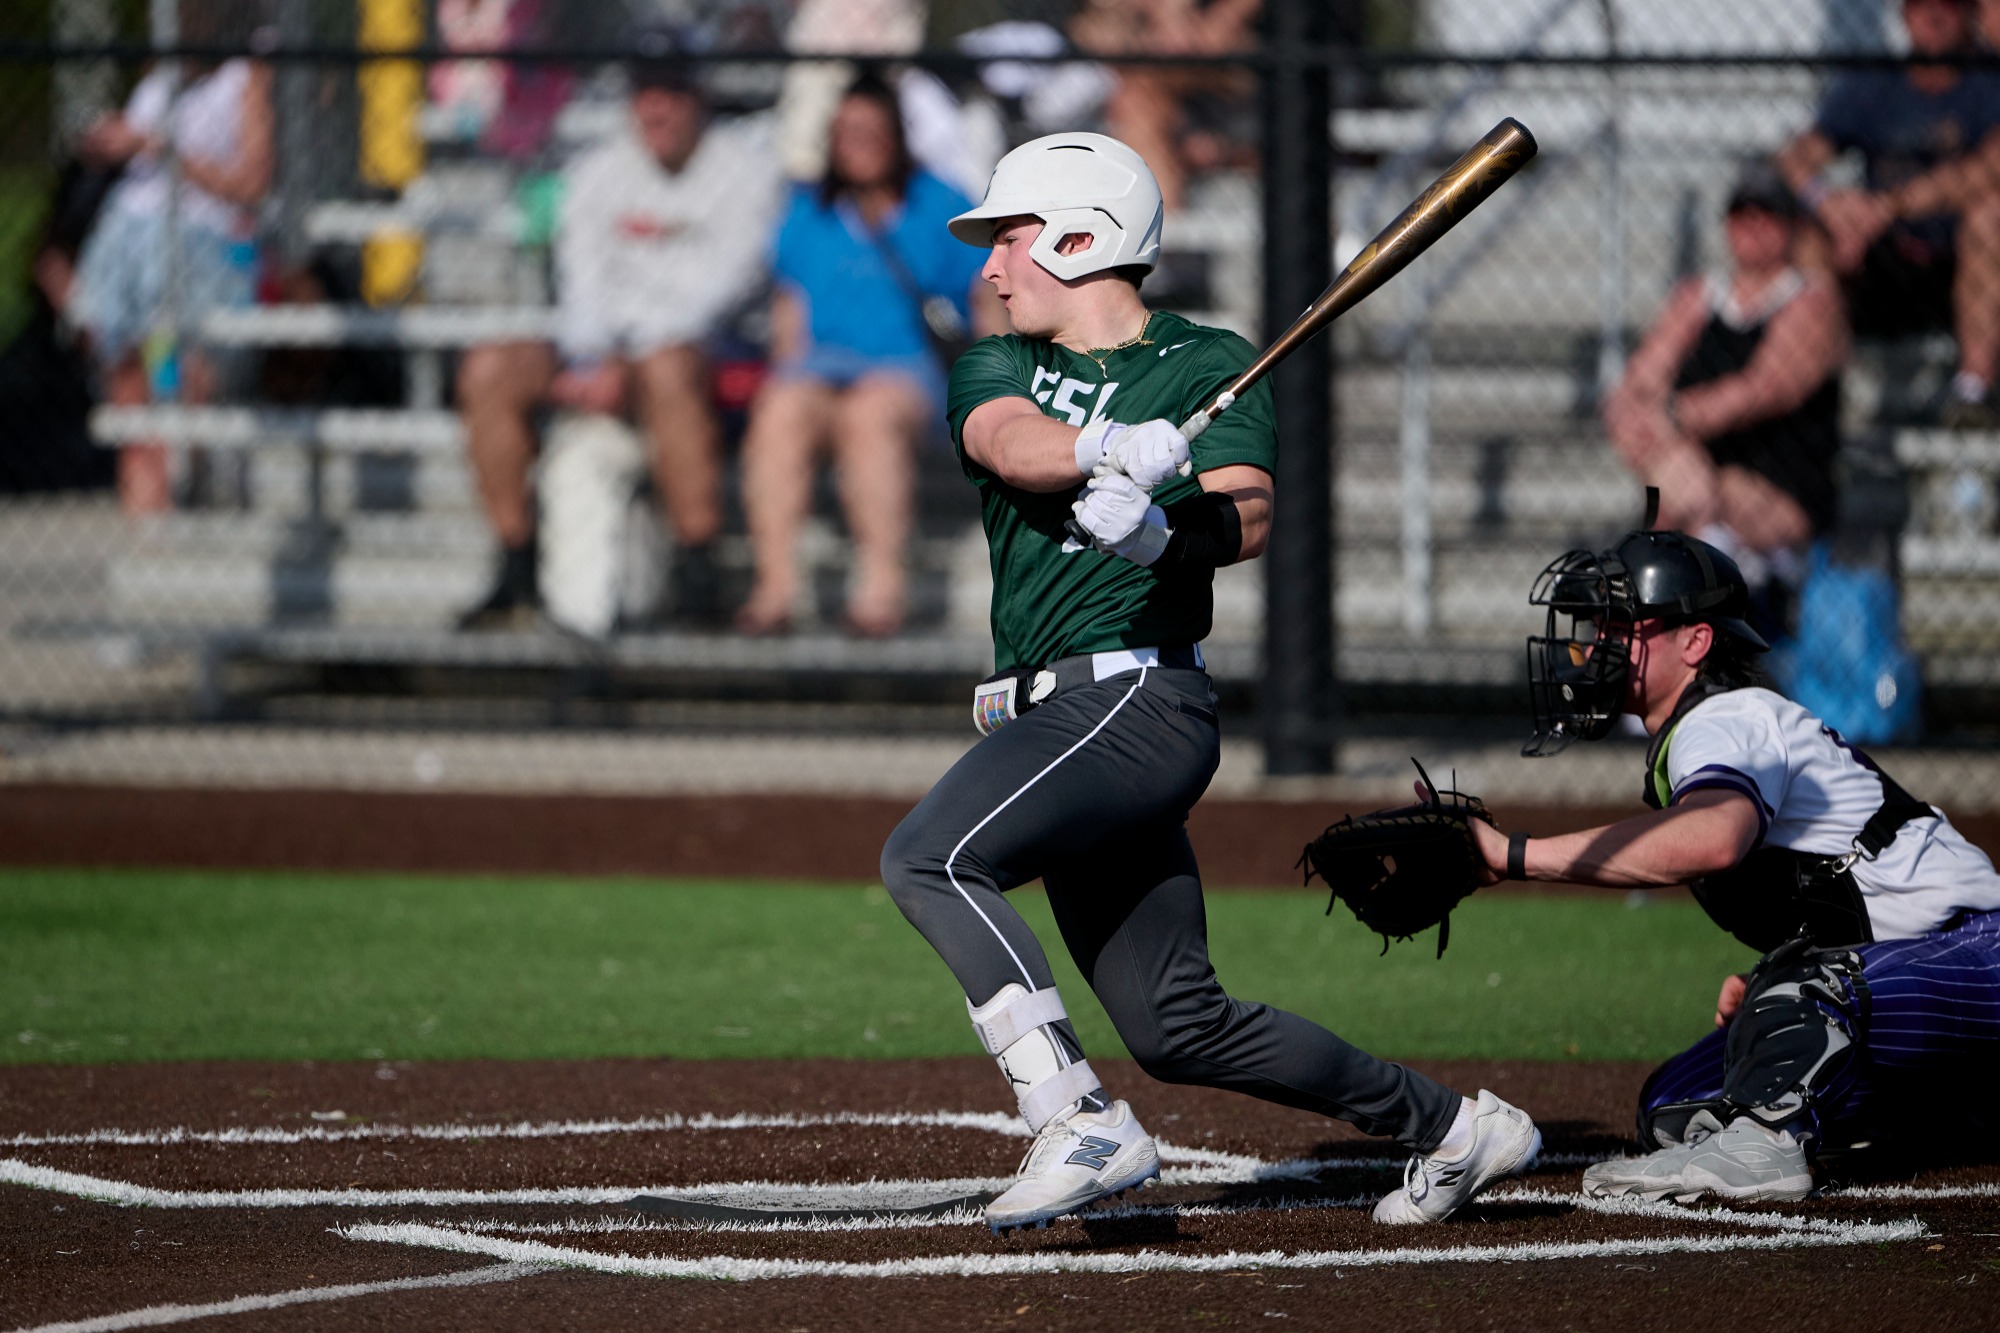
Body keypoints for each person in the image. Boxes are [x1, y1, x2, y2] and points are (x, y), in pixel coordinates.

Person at [878, 131, 1541, 1234]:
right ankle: (1453, 1126)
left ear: (1081, 238)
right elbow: (1010, 443)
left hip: (1138, 703)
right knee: (1176, 1023)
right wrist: (1103, 449)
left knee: (929, 857)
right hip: (1061, 716)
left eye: (1008, 239)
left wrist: (1155, 534)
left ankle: (1071, 1115)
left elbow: (1246, 511)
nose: (989, 267)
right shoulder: (993, 363)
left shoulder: (1204, 362)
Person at [1469, 522, 2000, 1202]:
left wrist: (1511, 854)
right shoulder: (1705, 733)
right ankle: (1958, 1111)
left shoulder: (1724, 718)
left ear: (1696, 640)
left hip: (1975, 956)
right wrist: (1770, 986)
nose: (1595, 641)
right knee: (1674, 1104)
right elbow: (1834, 889)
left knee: (1809, 998)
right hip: (1913, 973)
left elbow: (1715, 836)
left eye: (1620, 624)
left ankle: (1772, 1145)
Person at [454, 58, 780, 631]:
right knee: (489, 367)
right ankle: (516, 561)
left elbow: (718, 296)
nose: (657, 109)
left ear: (697, 99)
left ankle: (697, 569)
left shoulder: (747, 171)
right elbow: (581, 281)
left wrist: (622, 361)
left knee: (666, 366)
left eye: (672, 94)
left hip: (706, 353)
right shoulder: (598, 171)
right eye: (646, 94)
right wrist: (595, 357)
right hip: (607, 348)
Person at [735, 73, 994, 636]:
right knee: (781, 408)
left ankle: (882, 586)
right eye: (847, 132)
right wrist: (788, 375)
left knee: (870, 415)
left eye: (872, 132)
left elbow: (986, 297)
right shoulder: (808, 210)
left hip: (904, 371)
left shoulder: (941, 203)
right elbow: (790, 312)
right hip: (820, 366)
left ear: (897, 136)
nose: (859, 143)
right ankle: (776, 587)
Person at [1602, 163, 1848, 608]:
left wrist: (1672, 416)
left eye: (1766, 215)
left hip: (1777, 489)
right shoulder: (1699, 296)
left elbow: (1765, 389)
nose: (1751, 226)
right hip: (1694, 478)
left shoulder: (1811, 299)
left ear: (1791, 226)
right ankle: (1710, 556)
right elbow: (1638, 382)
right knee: (1681, 487)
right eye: (1741, 214)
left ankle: (1718, 564)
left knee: (1680, 495)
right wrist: (1636, 415)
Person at [68, 48, 272, 514]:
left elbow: (253, 183)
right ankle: (148, 527)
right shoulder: (159, 74)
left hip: (200, 247)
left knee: (186, 383)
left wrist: (158, 147)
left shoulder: (242, 75)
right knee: (128, 385)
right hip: (129, 242)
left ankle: (185, 503)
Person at [1776, 0, 2000, 426]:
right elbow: (1797, 156)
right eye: (1919, 6)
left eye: (1946, 7)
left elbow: (1989, 168)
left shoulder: (1989, 81)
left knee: (1991, 216)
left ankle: (1973, 395)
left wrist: (1888, 205)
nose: (1932, 16)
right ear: (1902, 14)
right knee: (1811, 238)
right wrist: (1830, 203)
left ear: (1968, 13)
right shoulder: (1875, 81)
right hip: (1882, 256)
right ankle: (1818, 394)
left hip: (1961, 261)